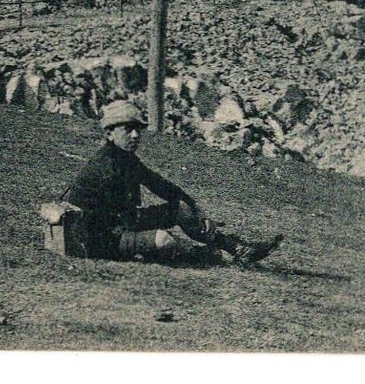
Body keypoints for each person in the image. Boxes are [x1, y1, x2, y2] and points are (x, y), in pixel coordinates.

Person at [64, 100, 282, 267]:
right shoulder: (105, 166)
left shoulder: (125, 159)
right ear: (110, 133)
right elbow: (107, 221)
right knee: (164, 241)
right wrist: (153, 231)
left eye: (138, 129)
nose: (135, 135)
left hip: (120, 224)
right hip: (99, 240)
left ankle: (238, 248)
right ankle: (202, 254)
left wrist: (196, 210)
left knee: (181, 209)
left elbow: (161, 186)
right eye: (127, 129)